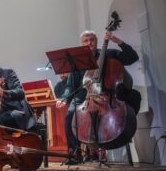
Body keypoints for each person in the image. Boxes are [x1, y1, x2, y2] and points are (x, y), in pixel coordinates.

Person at [56, 30, 141, 163]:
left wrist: (117, 40)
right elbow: (70, 86)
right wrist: (65, 98)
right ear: (81, 44)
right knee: (70, 114)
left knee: (135, 96)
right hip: (85, 96)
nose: (89, 43)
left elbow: (132, 57)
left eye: (92, 40)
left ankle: (123, 127)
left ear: (96, 41)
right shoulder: (77, 61)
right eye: (86, 40)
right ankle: (74, 153)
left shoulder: (108, 54)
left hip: (107, 93)